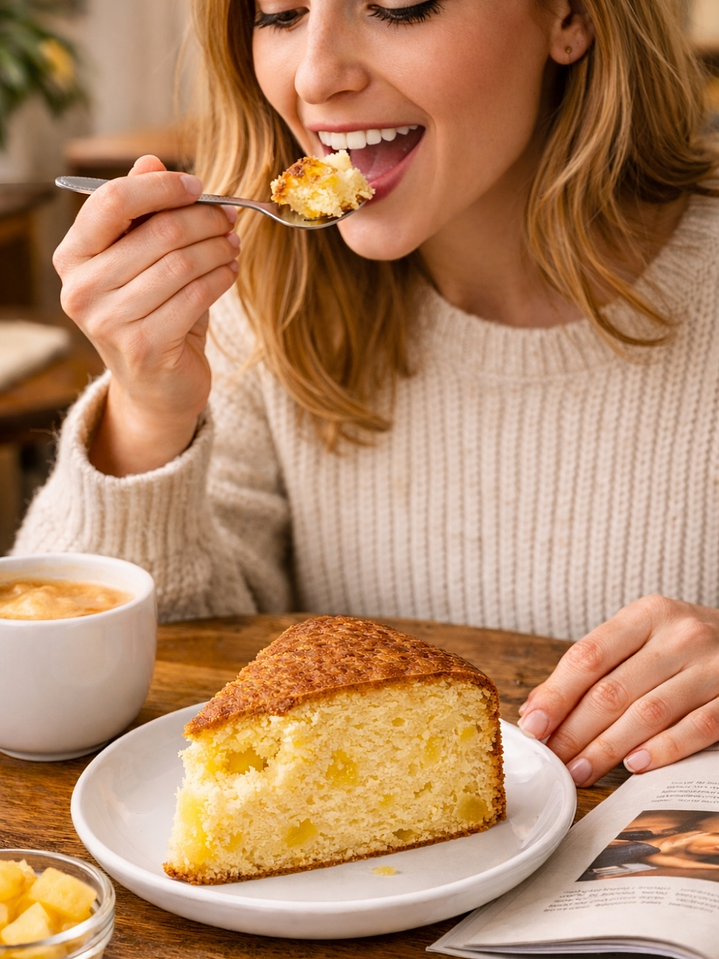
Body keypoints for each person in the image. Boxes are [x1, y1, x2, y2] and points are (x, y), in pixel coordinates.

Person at [14, 0, 719, 788]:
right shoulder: (258, 300)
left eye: (397, 5)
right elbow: (125, 702)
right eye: (279, 13)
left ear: (568, 17)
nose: (314, 74)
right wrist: (146, 410)